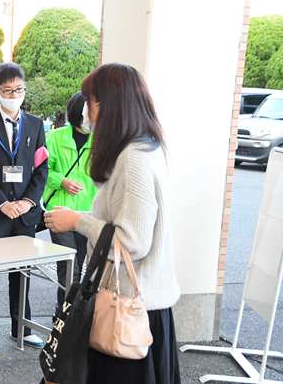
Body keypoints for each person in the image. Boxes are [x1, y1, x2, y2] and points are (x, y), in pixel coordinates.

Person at [44, 63, 181, 384]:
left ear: (108, 106)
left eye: (90, 101)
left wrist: (77, 220)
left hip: (126, 310)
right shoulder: (147, 147)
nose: (85, 111)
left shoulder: (133, 159)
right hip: (137, 306)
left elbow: (132, 241)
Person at [0, 62, 48, 356]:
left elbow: (41, 168)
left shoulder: (36, 125)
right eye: (8, 90)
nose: (14, 95)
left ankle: (22, 328)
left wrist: (27, 202)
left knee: (22, 271)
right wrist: (3, 203)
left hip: (25, 214)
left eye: (19, 89)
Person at [42, 92, 96, 318]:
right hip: (59, 210)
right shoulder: (54, 137)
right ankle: (64, 315)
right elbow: (42, 169)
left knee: (80, 262)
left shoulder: (99, 139)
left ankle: (69, 314)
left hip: (87, 211)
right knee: (68, 267)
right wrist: (61, 181)